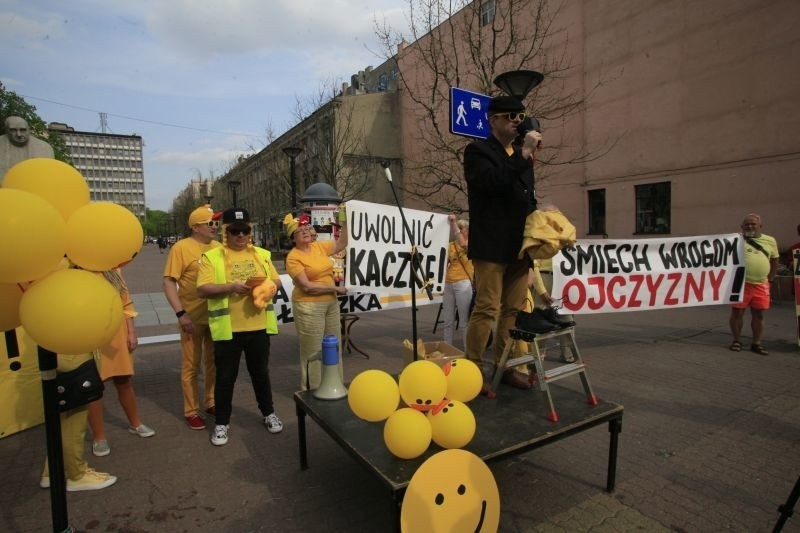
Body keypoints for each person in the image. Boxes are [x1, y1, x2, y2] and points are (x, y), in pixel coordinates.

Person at [463, 95, 541, 390]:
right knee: (486, 308)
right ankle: (471, 372)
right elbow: (493, 182)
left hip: (519, 247)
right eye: (511, 116)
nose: (517, 122)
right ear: (493, 119)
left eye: (521, 117)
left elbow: (525, 200)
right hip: (491, 246)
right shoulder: (477, 151)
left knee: (512, 310)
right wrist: (522, 156)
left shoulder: (524, 157)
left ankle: (503, 367)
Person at [197, 207, 283, 446]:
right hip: (228, 329)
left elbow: (276, 280)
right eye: (235, 231)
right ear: (225, 231)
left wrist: (267, 288)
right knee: (225, 378)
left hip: (258, 327)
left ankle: (269, 414)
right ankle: (222, 423)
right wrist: (231, 287)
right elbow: (202, 289)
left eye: (245, 230)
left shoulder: (262, 255)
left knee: (261, 374)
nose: (240, 236)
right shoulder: (212, 257)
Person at [163, 204, 222, 430]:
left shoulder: (218, 246)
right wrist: (181, 313)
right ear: (195, 227)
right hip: (192, 318)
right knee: (191, 365)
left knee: (214, 362)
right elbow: (169, 281)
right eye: (210, 223)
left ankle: (211, 401)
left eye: (216, 223)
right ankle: (191, 410)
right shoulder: (181, 248)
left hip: (217, 316)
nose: (215, 227)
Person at [88, 269, 155, 457]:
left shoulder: (112, 269)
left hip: (117, 334)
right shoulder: (73, 270)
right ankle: (99, 437)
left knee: (124, 381)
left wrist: (131, 332)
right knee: (93, 387)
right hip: (88, 334)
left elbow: (126, 302)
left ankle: (136, 423)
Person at [284, 209, 348, 391]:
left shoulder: (319, 247)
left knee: (334, 345)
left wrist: (345, 220)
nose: (305, 232)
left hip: (331, 304)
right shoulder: (293, 258)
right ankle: (313, 389)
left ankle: (335, 384)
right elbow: (306, 286)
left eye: (306, 228)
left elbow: (342, 243)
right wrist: (335, 288)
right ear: (292, 238)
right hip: (309, 307)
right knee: (312, 350)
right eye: (299, 231)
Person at [729, 213, 779, 355]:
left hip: (762, 284)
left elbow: (775, 260)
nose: (750, 226)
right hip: (740, 284)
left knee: (759, 314)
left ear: (760, 226)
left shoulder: (770, 241)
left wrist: (770, 280)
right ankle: (736, 341)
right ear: (742, 227)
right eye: (747, 224)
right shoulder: (736, 240)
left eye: (753, 224)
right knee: (737, 313)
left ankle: (757, 343)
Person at [442, 215, 473, 348]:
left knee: (463, 321)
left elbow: (463, 243)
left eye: (462, 228)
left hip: (463, 283)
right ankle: (447, 348)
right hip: (449, 283)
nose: (459, 231)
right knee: (448, 321)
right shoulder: (450, 245)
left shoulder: (470, 244)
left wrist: (454, 223)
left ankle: (468, 352)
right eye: (458, 228)